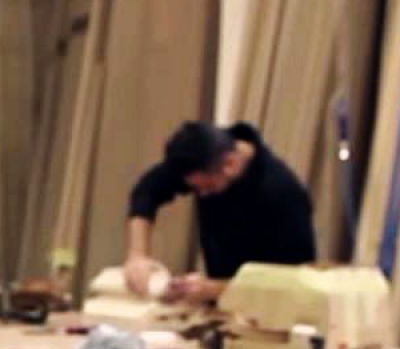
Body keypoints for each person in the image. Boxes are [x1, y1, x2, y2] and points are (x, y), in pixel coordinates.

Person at [121, 120, 316, 303]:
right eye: (196, 189)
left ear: (230, 164)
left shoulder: (283, 193)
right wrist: (138, 255)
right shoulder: (202, 154)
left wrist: (215, 288)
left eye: (208, 187)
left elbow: (292, 280)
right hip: (219, 297)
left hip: (267, 307)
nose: (202, 195)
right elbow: (147, 191)